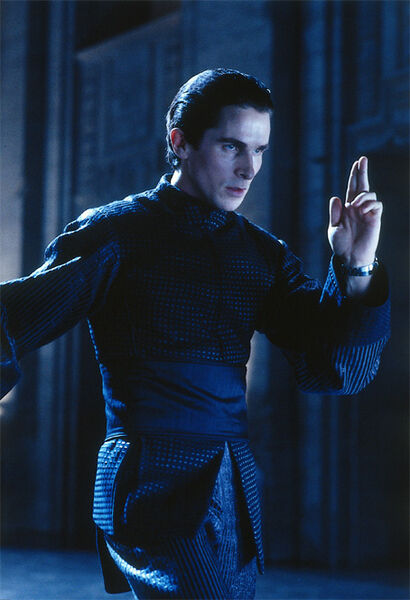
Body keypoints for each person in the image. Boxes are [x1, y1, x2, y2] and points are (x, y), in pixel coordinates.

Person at [0, 69, 390, 599]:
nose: (249, 168)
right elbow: (14, 315)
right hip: (150, 480)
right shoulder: (116, 233)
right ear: (180, 142)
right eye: (232, 146)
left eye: (260, 150)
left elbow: (333, 367)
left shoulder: (262, 255)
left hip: (232, 483)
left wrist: (356, 263)